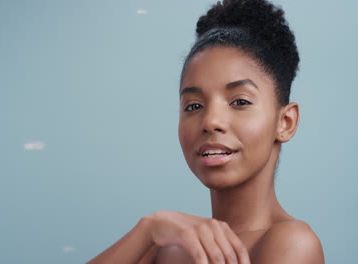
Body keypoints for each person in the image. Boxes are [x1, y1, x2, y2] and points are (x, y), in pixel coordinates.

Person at [86, 0, 324, 263]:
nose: (211, 121)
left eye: (240, 102)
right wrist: (148, 230)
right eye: (194, 105)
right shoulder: (166, 246)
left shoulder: (292, 243)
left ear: (286, 122)